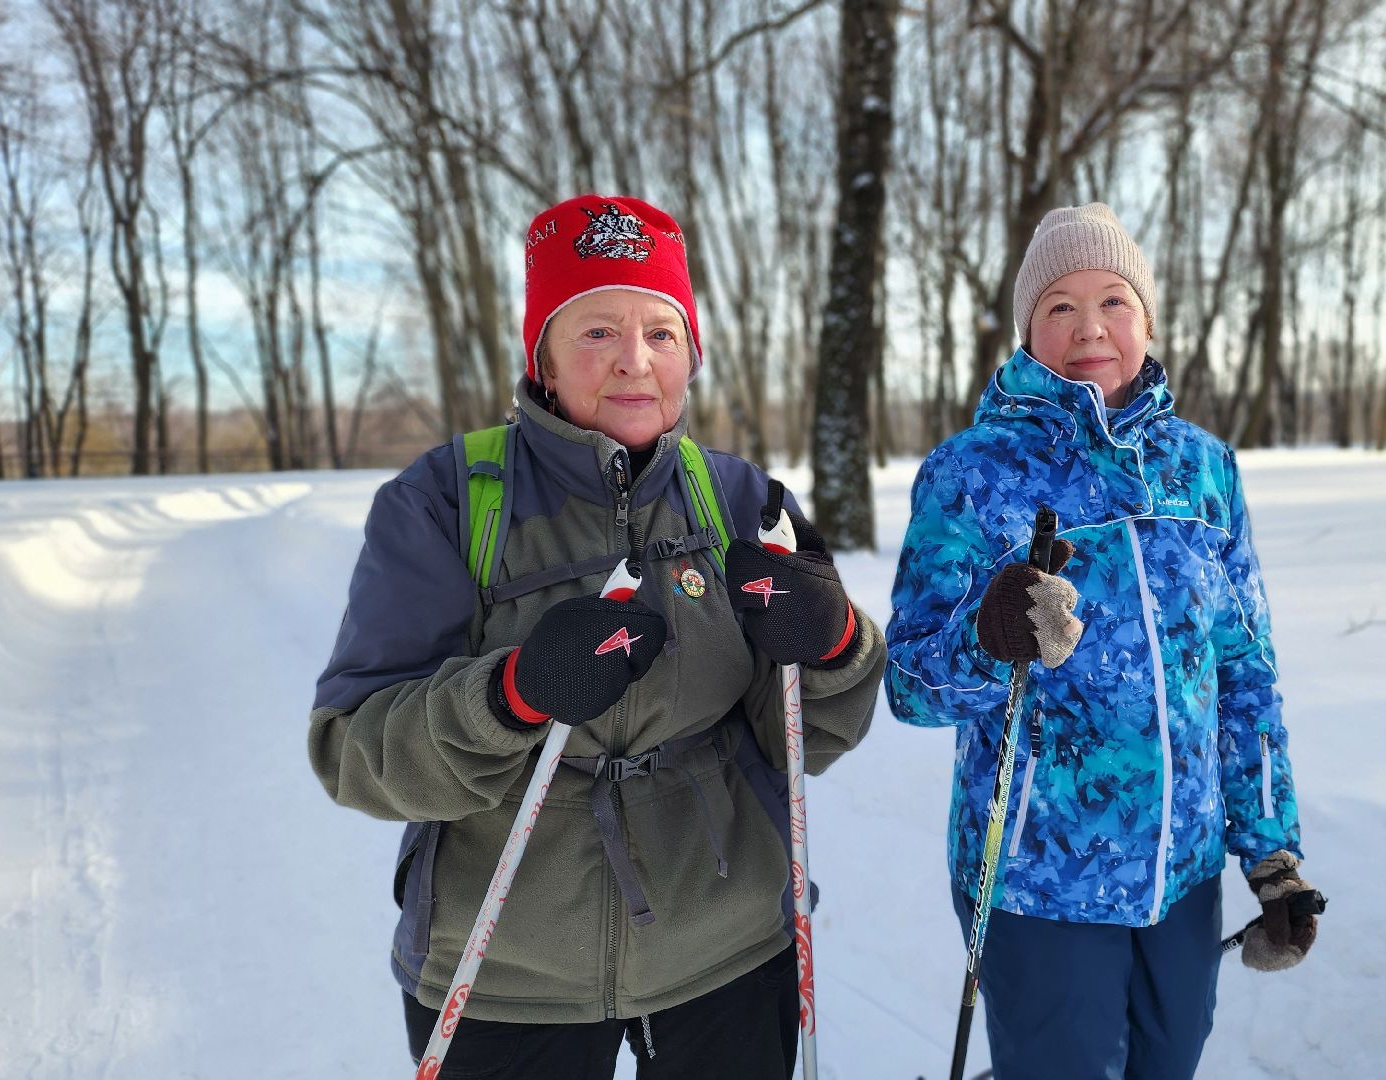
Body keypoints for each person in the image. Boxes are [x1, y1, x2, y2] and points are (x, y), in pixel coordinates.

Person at [309, 194, 885, 1079]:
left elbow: (806, 738)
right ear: (540, 352)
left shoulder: (744, 504)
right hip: (505, 966)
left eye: (661, 332)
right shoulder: (445, 503)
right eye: (595, 331)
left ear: (691, 350)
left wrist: (838, 643)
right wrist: (513, 696)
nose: (634, 362)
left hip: (726, 950)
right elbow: (353, 751)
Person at [885, 203, 1322, 1079]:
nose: (1090, 327)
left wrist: (1271, 850)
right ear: (1028, 332)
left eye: (1114, 301)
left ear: (1148, 321)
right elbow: (909, 681)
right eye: (1059, 306)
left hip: (1184, 872)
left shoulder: (1203, 468)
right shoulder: (973, 473)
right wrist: (988, 639)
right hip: (1039, 876)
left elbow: (1244, 673)